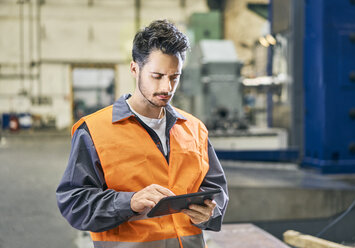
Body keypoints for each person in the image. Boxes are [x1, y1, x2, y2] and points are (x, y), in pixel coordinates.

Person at [56, 19, 228, 248]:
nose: (167, 87)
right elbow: (74, 204)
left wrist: (210, 213)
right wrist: (130, 201)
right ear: (135, 69)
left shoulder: (195, 129)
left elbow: (217, 191)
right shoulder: (94, 131)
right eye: (157, 76)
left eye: (174, 77)